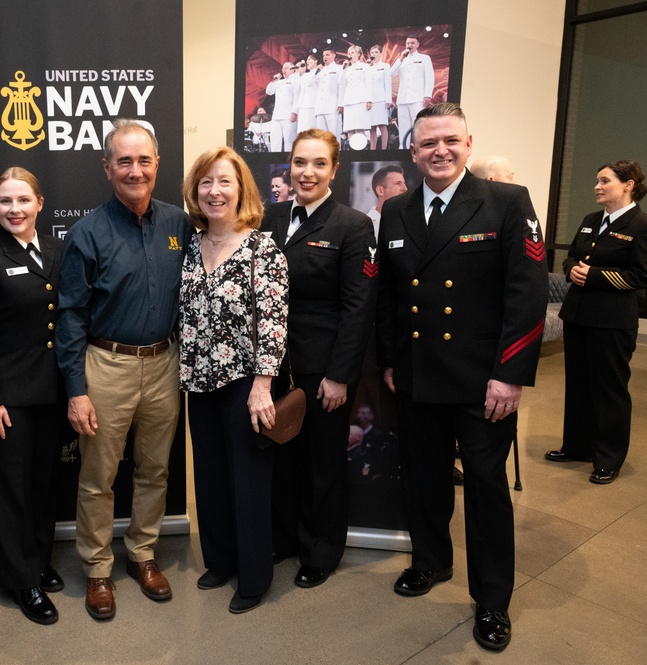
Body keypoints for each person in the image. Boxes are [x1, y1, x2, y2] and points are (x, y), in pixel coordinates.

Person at [376, 103, 548, 651]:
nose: (440, 151)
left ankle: (492, 599)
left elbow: (528, 293)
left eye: (450, 140)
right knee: (424, 478)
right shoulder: (396, 209)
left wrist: (511, 373)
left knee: (486, 489)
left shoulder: (504, 201)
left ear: (468, 143)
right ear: (413, 152)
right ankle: (430, 561)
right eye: (428, 143)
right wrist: (388, 361)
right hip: (418, 376)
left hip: (483, 383)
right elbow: (390, 298)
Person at [56, 119, 192, 620]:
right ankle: (97, 568)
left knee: (156, 469)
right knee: (99, 476)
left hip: (164, 364)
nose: (135, 170)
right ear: (107, 167)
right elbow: (69, 315)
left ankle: (142, 553)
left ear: (157, 164)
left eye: (144, 160)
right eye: (124, 161)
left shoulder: (180, 224)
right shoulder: (86, 233)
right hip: (105, 366)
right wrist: (76, 390)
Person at [264, 128, 378, 590]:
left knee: (323, 462)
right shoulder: (268, 217)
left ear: (334, 169)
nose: (306, 172)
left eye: (317, 164)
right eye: (299, 163)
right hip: (273, 363)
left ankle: (322, 550)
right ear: (287, 167)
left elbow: (359, 307)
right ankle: (285, 539)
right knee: (281, 456)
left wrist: (339, 375)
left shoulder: (352, 225)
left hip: (321, 367)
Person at [180, 146, 288, 613]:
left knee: (248, 481)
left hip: (246, 384)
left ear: (241, 188)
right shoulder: (190, 245)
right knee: (209, 476)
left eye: (224, 181)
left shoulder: (262, 248)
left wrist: (263, 384)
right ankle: (220, 560)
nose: (214, 191)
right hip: (198, 383)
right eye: (206, 182)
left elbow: (274, 321)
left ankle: (253, 577)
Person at [0, 167, 65, 625]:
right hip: (8, 397)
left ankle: (39, 560)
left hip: (51, 392)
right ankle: (19, 579)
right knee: (11, 489)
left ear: (39, 203)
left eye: (23, 200)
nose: (14, 210)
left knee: (43, 483)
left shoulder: (57, 250)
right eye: (5, 201)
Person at [546, 160, 647, 484]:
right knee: (578, 386)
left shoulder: (640, 224)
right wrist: (572, 267)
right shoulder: (592, 220)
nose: (597, 186)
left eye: (604, 180)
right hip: (579, 315)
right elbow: (572, 255)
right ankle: (577, 447)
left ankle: (608, 457)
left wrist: (595, 275)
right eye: (597, 180)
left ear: (628, 184)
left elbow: (640, 276)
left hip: (612, 320)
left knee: (609, 390)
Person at [390, 36, 435, 148]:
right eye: (408, 43)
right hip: (403, 98)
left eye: (412, 43)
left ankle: (420, 146)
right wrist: (400, 59)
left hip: (418, 97)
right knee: (404, 124)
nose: (409, 45)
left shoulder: (424, 58)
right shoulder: (401, 60)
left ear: (417, 44)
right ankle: (403, 147)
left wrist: (427, 94)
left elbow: (430, 77)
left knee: (419, 124)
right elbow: (390, 73)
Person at [338, 45, 374, 149]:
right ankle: (352, 150)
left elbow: (368, 84)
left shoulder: (365, 67)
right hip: (349, 101)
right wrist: (343, 68)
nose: (350, 55)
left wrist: (369, 100)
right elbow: (340, 82)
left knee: (359, 127)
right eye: (349, 53)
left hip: (360, 100)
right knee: (350, 128)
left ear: (358, 54)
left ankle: (361, 150)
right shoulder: (346, 69)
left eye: (353, 52)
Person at [264, 61, 299, 152]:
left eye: (286, 68)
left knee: (289, 141)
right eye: (283, 68)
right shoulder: (279, 82)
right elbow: (268, 91)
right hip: (276, 115)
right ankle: (274, 159)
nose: (283, 70)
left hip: (288, 115)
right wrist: (274, 80)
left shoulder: (296, 80)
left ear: (292, 70)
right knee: (275, 140)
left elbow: (297, 96)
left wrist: (295, 112)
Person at [366, 164, 408, 239]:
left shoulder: (408, 222)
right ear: (380, 191)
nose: (405, 189)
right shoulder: (366, 226)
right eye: (398, 183)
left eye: (404, 183)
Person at [367, 45, 394, 150]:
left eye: (376, 52)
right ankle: (372, 150)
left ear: (380, 54)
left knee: (382, 125)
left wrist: (388, 100)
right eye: (372, 52)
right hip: (370, 100)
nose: (373, 54)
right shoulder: (368, 68)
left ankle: (384, 149)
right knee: (372, 127)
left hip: (381, 99)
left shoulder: (385, 66)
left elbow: (388, 84)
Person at [313, 48, 342, 137]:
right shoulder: (320, 70)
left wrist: (341, 104)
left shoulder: (339, 69)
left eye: (327, 55)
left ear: (334, 55)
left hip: (333, 106)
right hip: (320, 107)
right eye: (324, 55)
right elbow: (312, 84)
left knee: (334, 135)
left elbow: (341, 87)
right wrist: (316, 71)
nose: (325, 57)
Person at [294, 53, 319, 132]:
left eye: (309, 59)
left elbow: (310, 83)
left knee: (312, 130)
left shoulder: (320, 73)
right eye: (307, 59)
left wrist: (318, 71)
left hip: (313, 105)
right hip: (303, 105)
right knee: (302, 130)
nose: (307, 61)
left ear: (316, 61)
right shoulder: (305, 75)